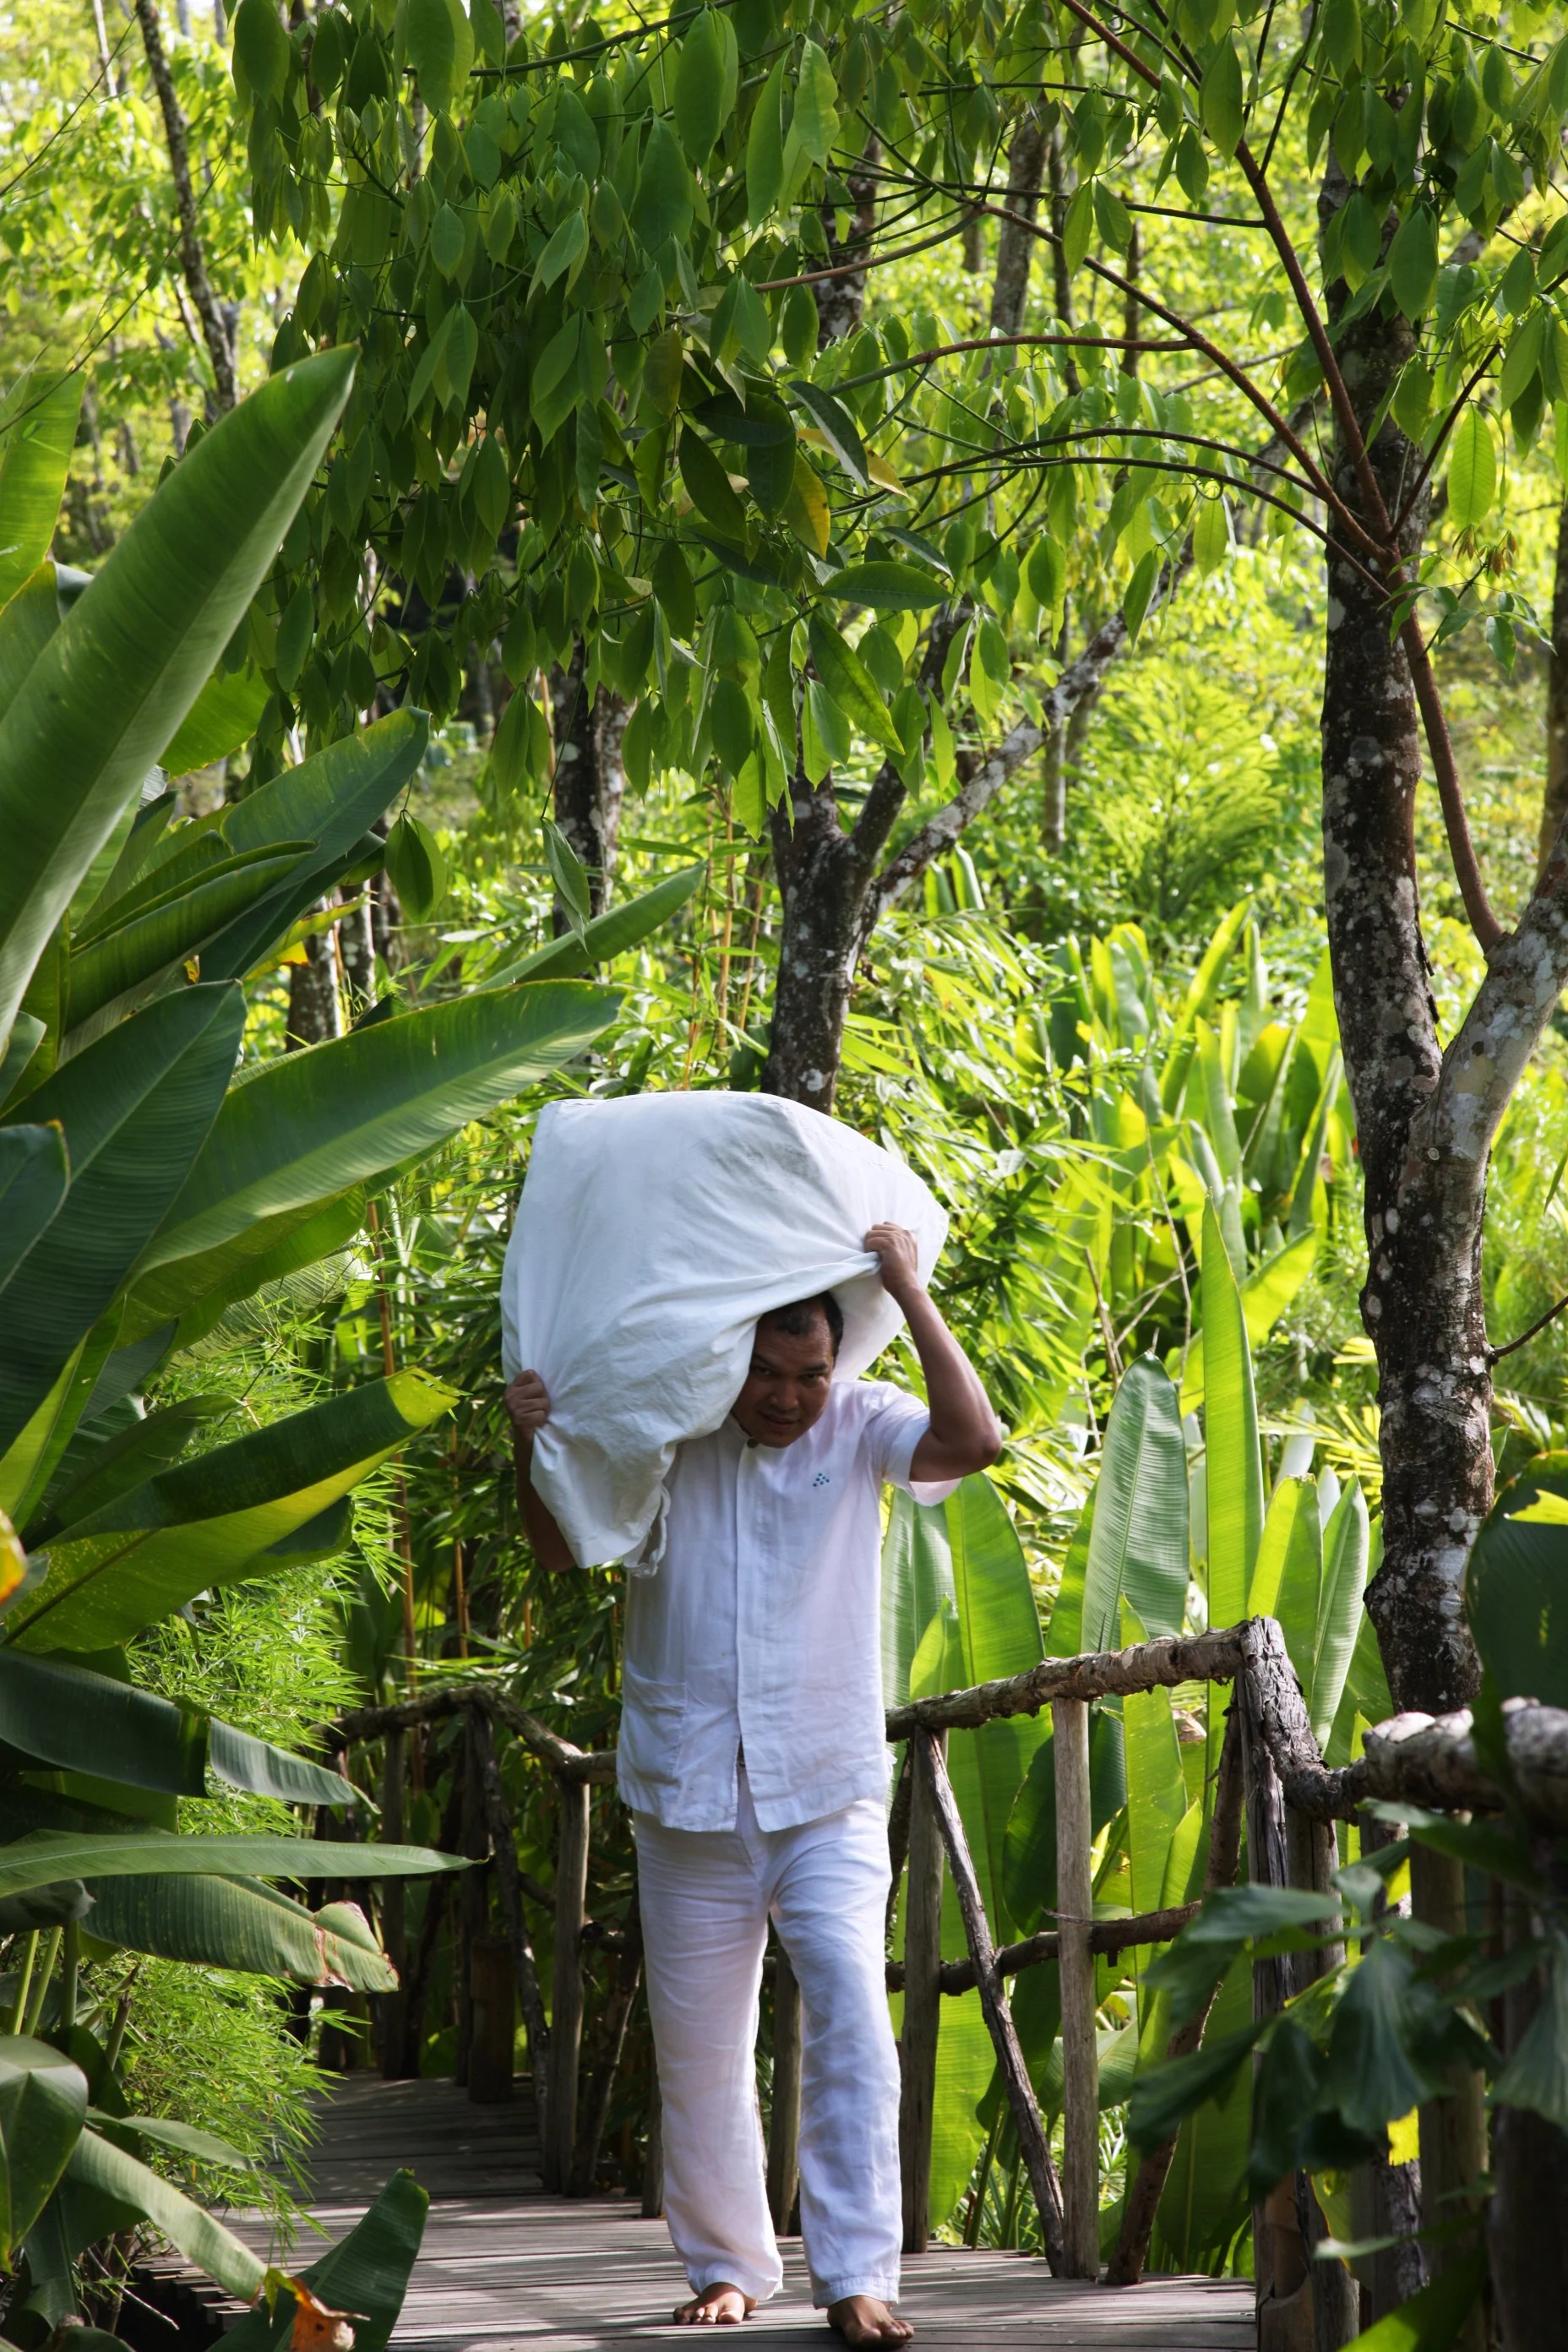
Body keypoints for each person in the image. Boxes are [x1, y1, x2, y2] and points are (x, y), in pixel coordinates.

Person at [504, 1223, 1001, 2347]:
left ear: (840, 1364)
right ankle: (729, 2267)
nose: (788, 1398)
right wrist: (528, 1443)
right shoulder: (663, 1441)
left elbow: (976, 1441)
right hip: (685, 1797)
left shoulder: (865, 1425)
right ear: (730, 1363)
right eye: (768, 1374)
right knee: (700, 2049)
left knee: (851, 2014)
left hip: (825, 1787)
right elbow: (555, 1548)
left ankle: (858, 2274)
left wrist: (909, 1292)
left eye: (811, 1373)